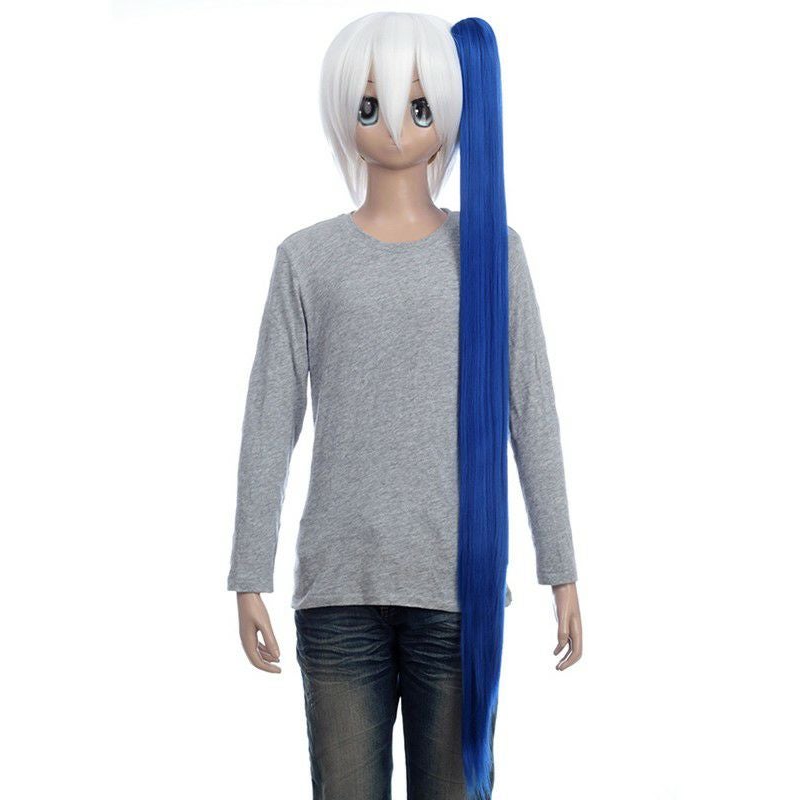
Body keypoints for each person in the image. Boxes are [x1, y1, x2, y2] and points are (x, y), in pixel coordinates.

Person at [227, 12, 583, 800]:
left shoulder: (492, 253)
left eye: (418, 107)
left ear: (448, 115)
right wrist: (249, 571)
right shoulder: (307, 260)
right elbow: (269, 419)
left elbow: (533, 414)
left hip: (456, 593)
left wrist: (560, 569)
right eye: (371, 105)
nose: (394, 125)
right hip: (338, 592)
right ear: (343, 114)